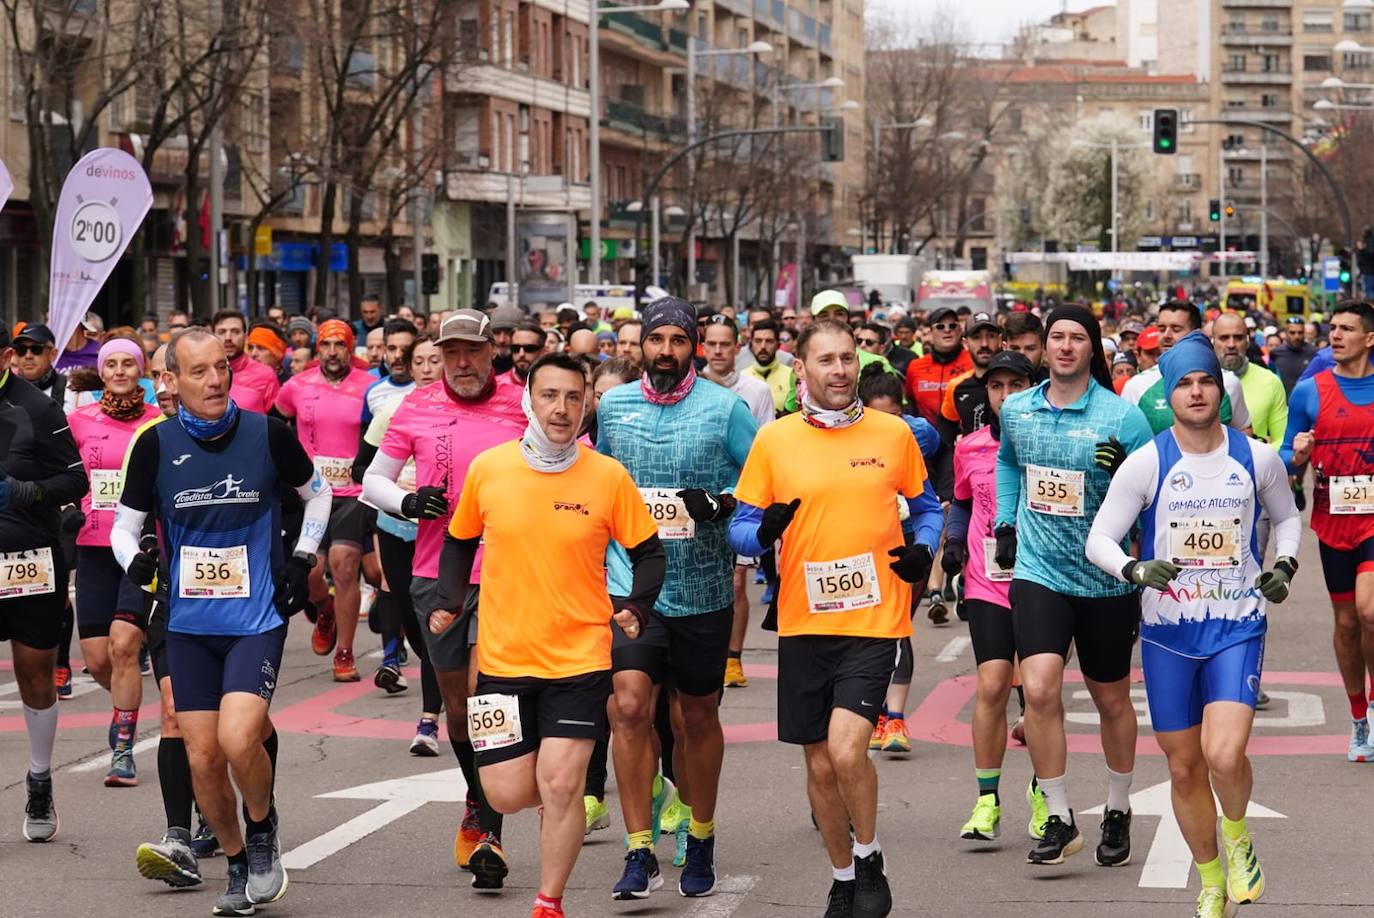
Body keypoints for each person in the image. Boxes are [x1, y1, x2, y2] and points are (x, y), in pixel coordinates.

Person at [433, 351, 665, 918]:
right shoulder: (490, 468)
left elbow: (649, 551)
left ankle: (548, 902)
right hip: (504, 658)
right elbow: (460, 539)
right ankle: (552, 804)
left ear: (587, 404)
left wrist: (636, 604)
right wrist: (448, 599)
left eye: (573, 397)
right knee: (508, 792)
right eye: (549, 396)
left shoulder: (607, 475)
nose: (561, 409)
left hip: (580, 657)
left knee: (562, 785)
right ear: (529, 401)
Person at [113, 329, 331, 914]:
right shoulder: (155, 445)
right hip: (187, 622)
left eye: (222, 368)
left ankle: (260, 831)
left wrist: (305, 555)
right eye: (200, 372)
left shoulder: (267, 433)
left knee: (239, 739)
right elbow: (122, 526)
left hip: (256, 614)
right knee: (202, 755)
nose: (215, 380)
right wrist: (136, 563)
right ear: (173, 382)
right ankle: (236, 862)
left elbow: (319, 494)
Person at [728, 319, 941, 918]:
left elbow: (926, 509)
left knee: (848, 749)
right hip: (802, 620)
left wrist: (923, 547)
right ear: (802, 369)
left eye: (848, 358)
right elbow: (741, 525)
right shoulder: (775, 441)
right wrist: (761, 531)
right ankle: (841, 875)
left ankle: (869, 856)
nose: (840, 370)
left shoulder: (893, 434)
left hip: (874, 619)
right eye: (826, 360)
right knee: (819, 762)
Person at [1087, 331, 1300, 918]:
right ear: (1168, 394)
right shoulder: (1147, 462)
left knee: (1225, 755)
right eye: (1184, 382)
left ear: (1221, 388)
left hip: (1237, 623)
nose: (1197, 391)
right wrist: (1133, 566)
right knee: (1183, 766)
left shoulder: (1255, 457)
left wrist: (1284, 564)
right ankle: (1211, 883)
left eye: (1206, 380)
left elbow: (1287, 519)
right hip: (1168, 634)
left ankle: (1237, 839)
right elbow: (1099, 538)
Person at [597, 297, 758, 900]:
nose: (666, 351)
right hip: (634, 590)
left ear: (694, 346)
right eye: (655, 339)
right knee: (630, 708)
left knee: (695, 718)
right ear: (640, 344)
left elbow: (762, 477)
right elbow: (597, 482)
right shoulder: (613, 406)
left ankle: (701, 833)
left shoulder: (724, 409)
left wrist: (724, 502)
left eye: (678, 340)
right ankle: (640, 850)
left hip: (704, 588)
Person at [362, 310, 525, 887]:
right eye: (450, 352)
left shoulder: (522, 401)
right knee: (458, 706)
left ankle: (492, 835)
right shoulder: (416, 405)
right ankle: (477, 799)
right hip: (438, 576)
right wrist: (405, 504)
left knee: (488, 698)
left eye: (471, 352)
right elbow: (373, 478)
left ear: (491, 353)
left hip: (508, 573)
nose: (461, 364)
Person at [993, 305, 1153, 866]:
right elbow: (1009, 465)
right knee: (1038, 690)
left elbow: (1150, 489)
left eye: (1076, 338)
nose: (1064, 347)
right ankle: (1059, 818)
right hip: (1040, 571)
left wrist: (1123, 467)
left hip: (1105, 577)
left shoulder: (1123, 416)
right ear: (1043, 347)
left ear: (1094, 349)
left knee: (1111, 698)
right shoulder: (1018, 409)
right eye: (1056, 337)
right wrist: (1005, 523)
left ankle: (1116, 806)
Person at [0, 322, 88, 843]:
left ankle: (38, 778)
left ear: (7, 356)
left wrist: (23, 493)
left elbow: (75, 479)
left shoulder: (37, 407)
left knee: (35, 675)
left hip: (28, 560)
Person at [943, 350, 1034, 841]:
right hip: (987, 581)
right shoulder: (970, 447)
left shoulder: (1047, 441)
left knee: (1038, 693)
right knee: (994, 683)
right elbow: (960, 502)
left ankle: (1045, 793)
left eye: (1014, 385)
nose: (1005, 396)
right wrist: (955, 544)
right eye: (996, 387)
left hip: (1043, 580)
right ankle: (986, 800)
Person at [1280, 301, 1374, 762]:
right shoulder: (1309, 391)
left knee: (1370, 609)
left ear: (1369, 339)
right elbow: (1284, 458)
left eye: (1346, 329)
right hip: (1333, 519)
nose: (1335, 335)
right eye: (1332, 328)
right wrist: (1296, 455)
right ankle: (1359, 717)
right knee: (1346, 623)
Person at [69, 338, 162, 786]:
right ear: (102, 372)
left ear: (140, 370)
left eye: (129, 364)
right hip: (92, 545)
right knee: (99, 659)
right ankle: (123, 705)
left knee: (125, 646)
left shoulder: (159, 423)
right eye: (113, 365)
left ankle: (123, 746)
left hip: (140, 550)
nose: (121, 371)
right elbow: (64, 476)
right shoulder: (78, 421)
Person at [274, 319, 374, 681]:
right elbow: (277, 423)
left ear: (351, 349)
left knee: (344, 563)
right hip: (311, 492)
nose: (333, 352)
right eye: (326, 345)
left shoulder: (370, 386)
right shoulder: (296, 386)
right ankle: (324, 607)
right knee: (312, 569)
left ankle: (345, 652)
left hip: (351, 493)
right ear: (318, 350)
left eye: (340, 345)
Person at [856, 364, 943, 756]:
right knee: (866, 632)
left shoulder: (915, 434)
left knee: (897, 626)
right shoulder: (849, 441)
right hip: (861, 548)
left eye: (892, 416)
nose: (885, 425)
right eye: (876, 416)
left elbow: (935, 439)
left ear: (903, 412)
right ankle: (872, 712)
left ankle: (895, 719)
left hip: (906, 546)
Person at [1121, 302, 1251, 436]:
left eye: (1176, 329)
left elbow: (1243, 431)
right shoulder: (1136, 386)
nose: (1166, 335)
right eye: (1161, 329)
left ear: (1196, 333)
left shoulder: (1228, 383)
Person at [1213, 312, 1287, 446]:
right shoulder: (1197, 383)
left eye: (1238, 337)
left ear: (1247, 342)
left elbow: (1282, 441)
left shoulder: (1270, 381)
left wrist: (1261, 452)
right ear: (1212, 342)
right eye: (1224, 338)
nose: (1231, 344)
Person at [939, 312, 1007, 439]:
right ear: (965, 343)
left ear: (999, 340)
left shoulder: (1016, 383)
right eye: (976, 337)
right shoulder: (957, 387)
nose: (984, 344)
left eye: (991, 336)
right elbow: (946, 435)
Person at [700, 315, 775, 428]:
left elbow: (767, 439)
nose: (717, 351)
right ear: (704, 348)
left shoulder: (759, 390)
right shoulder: (691, 389)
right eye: (711, 344)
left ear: (737, 348)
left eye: (725, 344)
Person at [905, 305, 973, 426]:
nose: (947, 330)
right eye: (940, 326)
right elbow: (910, 402)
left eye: (952, 326)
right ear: (930, 333)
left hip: (963, 437)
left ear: (959, 331)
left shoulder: (973, 361)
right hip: (927, 438)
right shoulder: (915, 366)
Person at [213, 310, 280, 414]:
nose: (228, 338)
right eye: (222, 332)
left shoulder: (265, 375)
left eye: (235, 331)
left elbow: (276, 424)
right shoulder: (202, 375)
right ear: (213, 336)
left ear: (245, 337)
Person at [742, 320, 794, 415]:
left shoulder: (792, 376)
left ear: (778, 345)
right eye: (758, 341)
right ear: (751, 345)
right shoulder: (742, 377)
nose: (763, 346)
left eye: (769, 341)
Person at [1269, 316, 1317, 395]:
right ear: (1286, 333)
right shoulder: (1276, 353)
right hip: (1284, 402)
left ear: (1304, 332)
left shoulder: (1314, 353)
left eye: (1300, 332)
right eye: (1292, 333)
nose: (1296, 336)